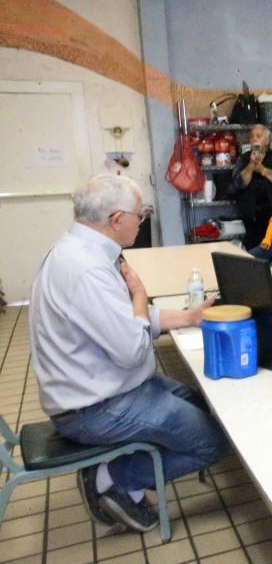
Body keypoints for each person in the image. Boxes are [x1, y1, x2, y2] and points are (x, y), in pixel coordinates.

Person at [29, 175, 230, 532]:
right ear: (117, 219)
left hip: (105, 386)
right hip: (95, 407)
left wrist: (187, 316)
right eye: (142, 213)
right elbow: (133, 350)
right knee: (214, 442)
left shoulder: (79, 250)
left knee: (202, 405)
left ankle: (121, 468)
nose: (144, 219)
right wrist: (139, 296)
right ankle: (115, 478)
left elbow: (121, 323)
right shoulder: (87, 268)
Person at [233, 124, 272, 249]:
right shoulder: (243, 158)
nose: (254, 139)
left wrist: (263, 170)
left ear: (267, 141)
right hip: (251, 215)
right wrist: (251, 165)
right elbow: (239, 183)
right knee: (253, 251)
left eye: (258, 136)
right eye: (252, 136)